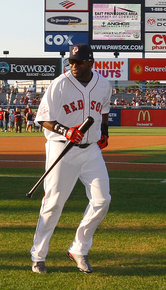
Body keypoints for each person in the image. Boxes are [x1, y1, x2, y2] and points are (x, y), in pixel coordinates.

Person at [30, 44, 112, 275]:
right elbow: (42, 119)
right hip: (61, 148)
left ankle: (79, 248)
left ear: (91, 62)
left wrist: (105, 131)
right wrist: (66, 131)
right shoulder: (60, 84)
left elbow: (103, 109)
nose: (74, 65)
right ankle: (38, 255)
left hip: (91, 151)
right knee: (53, 203)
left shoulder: (103, 84)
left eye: (79, 61)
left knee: (102, 200)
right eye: (72, 61)